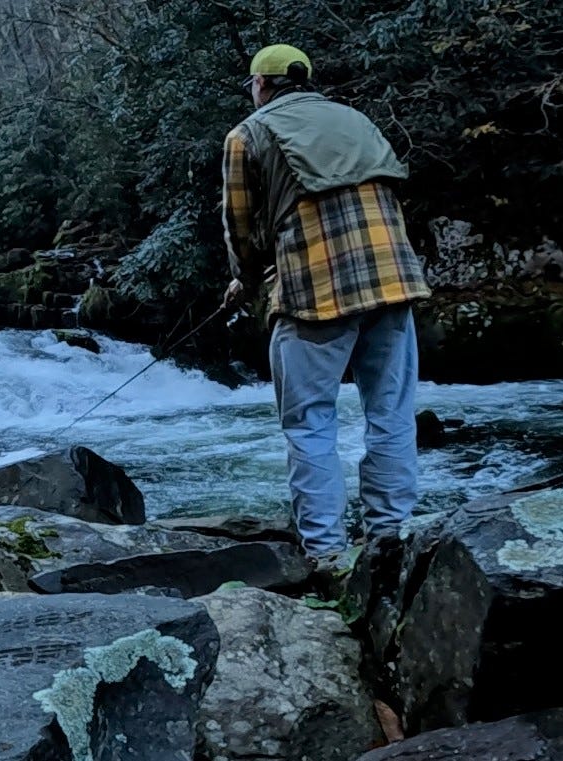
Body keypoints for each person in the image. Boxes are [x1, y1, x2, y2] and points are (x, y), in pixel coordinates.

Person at [219, 44, 432, 569]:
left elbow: (241, 228)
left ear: (261, 84)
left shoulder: (247, 134)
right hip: (393, 281)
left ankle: (327, 556)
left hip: (316, 293)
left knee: (310, 423)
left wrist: (243, 282)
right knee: (391, 415)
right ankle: (390, 541)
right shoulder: (355, 119)